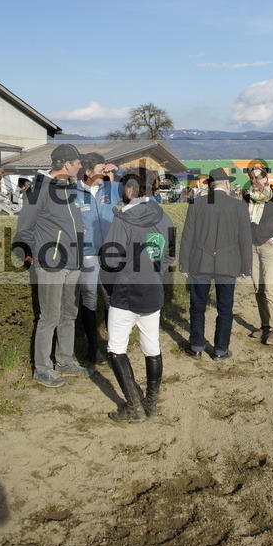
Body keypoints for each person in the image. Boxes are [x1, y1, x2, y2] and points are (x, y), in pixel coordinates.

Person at [100, 169, 175, 422]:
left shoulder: (122, 219)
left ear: (132, 189)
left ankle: (134, 407)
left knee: (116, 349)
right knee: (151, 347)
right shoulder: (166, 217)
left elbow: (110, 261)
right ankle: (151, 404)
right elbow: (170, 255)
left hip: (126, 291)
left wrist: (111, 288)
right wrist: (152, 271)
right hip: (153, 290)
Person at [12, 143, 89, 388]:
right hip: (51, 264)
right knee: (50, 317)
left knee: (70, 314)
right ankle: (42, 369)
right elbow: (25, 229)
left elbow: (64, 221)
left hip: (73, 261)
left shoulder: (69, 188)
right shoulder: (39, 189)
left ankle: (65, 361)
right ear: (67, 164)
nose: (80, 167)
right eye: (77, 163)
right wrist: (34, 255)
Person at [179, 167, 252, 360]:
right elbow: (245, 239)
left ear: (210, 185)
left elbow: (187, 237)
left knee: (197, 307)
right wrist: (246, 267)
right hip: (228, 264)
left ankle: (196, 346)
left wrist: (183, 265)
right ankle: (220, 350)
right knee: (225, 309)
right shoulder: (239, 206)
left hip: (199, 261)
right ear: (227, 184)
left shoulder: (197, 203)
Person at [75, 152, 121, 365]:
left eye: (105, 169)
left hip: (110, 253)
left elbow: (137, 188)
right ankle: (94, 347)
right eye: (101, 169)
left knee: (113, 300)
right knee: (90, 298)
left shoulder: (110, 188)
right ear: (87, 172)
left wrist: (117, 170)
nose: (105, 172)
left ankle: (115, 347)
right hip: (88, 255)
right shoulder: (71, 192)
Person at [243, 166, 273, 346]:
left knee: (270, 289)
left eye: (257, 178)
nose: (254, 182)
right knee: (258, 289)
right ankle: (264, 325)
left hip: (269, 249)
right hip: (252, 248)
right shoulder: (247, 198)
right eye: (252, 178)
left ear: (266, 179)